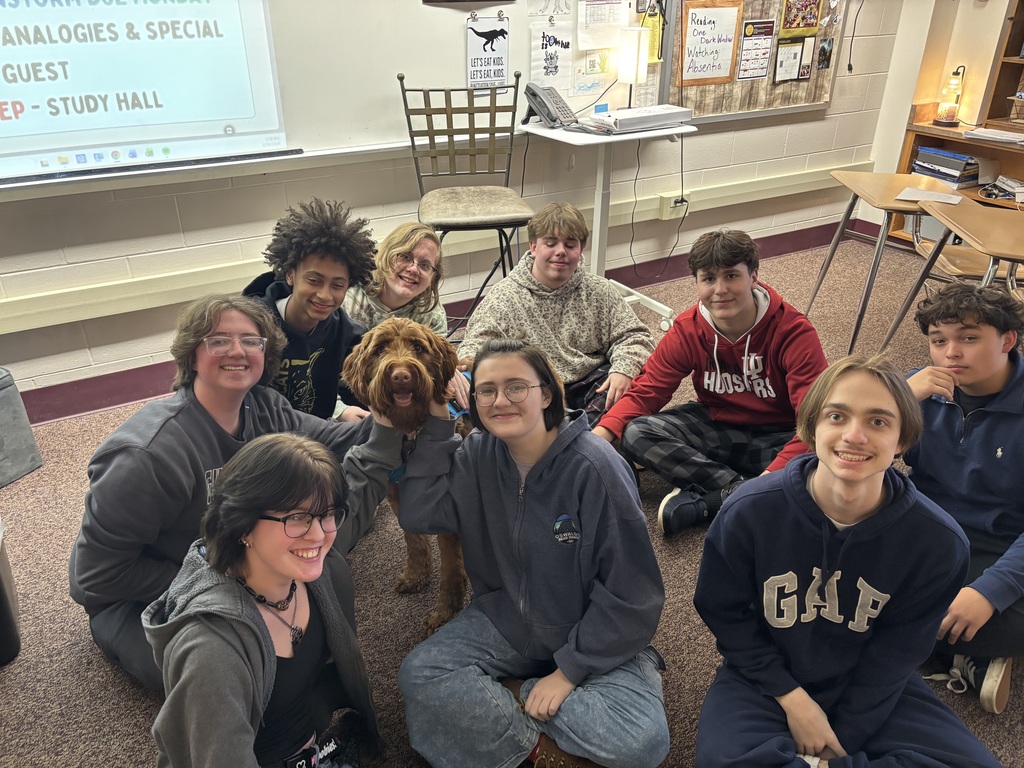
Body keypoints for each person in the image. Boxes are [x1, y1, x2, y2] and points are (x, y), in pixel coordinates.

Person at [69, 294, 402, 695]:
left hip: (241, 560)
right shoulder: (147, 455)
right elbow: (96, 577)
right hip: (137, 596)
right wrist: (233, 582)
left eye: (251, 341)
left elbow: (345, 441)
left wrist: (411, 398)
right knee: (231, 679)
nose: (237, 351)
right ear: (192, 357)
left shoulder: (265, 408)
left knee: (318, 615)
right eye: (219, 340)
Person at [693, 354, 1000, 768]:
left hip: (872, 684)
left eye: (878, 422)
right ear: (812, 427)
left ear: (903, 439)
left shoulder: (938, 542)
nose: (854, 436)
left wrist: (842, 738)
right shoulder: (748, 512)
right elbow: (725, 614)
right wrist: (793, 699)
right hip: (763, 676)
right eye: (837, 416)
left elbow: (898, 652)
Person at [395, 338, 669, 768]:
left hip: (590, 630)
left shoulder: (596, 467)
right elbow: (419, 513)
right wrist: (435, 421)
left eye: (516, 387)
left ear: (546, 394)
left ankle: (511, 692)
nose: (500, 401)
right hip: (506, 620)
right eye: (486, 390)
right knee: (420, 675)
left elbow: (633, 593)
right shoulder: (476, 456)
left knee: (642, 742)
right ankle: (541, 754)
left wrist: (567, 673)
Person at [144, 433, 382, 767]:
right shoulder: (211, 652)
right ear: (242, 524)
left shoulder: (321, 573)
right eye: (296, 517)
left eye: (328, 513)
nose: (318, 534)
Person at [593, 229, 827, 535]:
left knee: (828, 464)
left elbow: (815, 422)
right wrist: (595, 441)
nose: (720, 290)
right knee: (636, 432)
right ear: (697, 283)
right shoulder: (688, 329)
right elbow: (647, 391)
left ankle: (710, 498)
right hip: (718, 428)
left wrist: (776, 469)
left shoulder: (793, 332)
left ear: (754, 276)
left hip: (779, 435)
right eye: (709, 279)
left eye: (731, 276)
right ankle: (743, 493)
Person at [905, 283, 1024, 715]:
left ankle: (928, 641)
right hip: (929, 531)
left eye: (968, 338)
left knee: (877, 608)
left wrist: (991, 592)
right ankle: (964, 652)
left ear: (1007, 340)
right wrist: (897, 403)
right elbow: (836, 453)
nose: (950, 353)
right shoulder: (915, 391)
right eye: (939, 341)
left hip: (1005, 544)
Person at [456, 202, 654, 426]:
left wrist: (623, 371)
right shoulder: (505, 296)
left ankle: (573, 439)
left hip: (590, 380)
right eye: (550, 244)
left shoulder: (600, 291)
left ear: (580, 250)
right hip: (537, 387)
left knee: (632, 385)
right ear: (533, 246)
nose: (561, 251)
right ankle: (584, 440)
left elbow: (635, 337)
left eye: (570, 245)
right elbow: (473, 349)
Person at [243, 198, 376, 420]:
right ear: (290, 274)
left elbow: (389, 359)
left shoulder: (346, 331)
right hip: (264, 438)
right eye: (314, 280)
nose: (325, 295)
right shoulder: (251, 325)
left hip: (319, 433)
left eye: (337, 285)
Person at [343, 221, 470, 410]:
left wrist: (449, 373)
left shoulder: (431, 315)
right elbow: (322, 369)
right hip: (349, 396)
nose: (413, 269)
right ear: (385, 256)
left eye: (425, 265)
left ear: (433, 277)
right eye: (404, 256)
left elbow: (436, 369)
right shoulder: (348, 300)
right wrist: (341, 411)